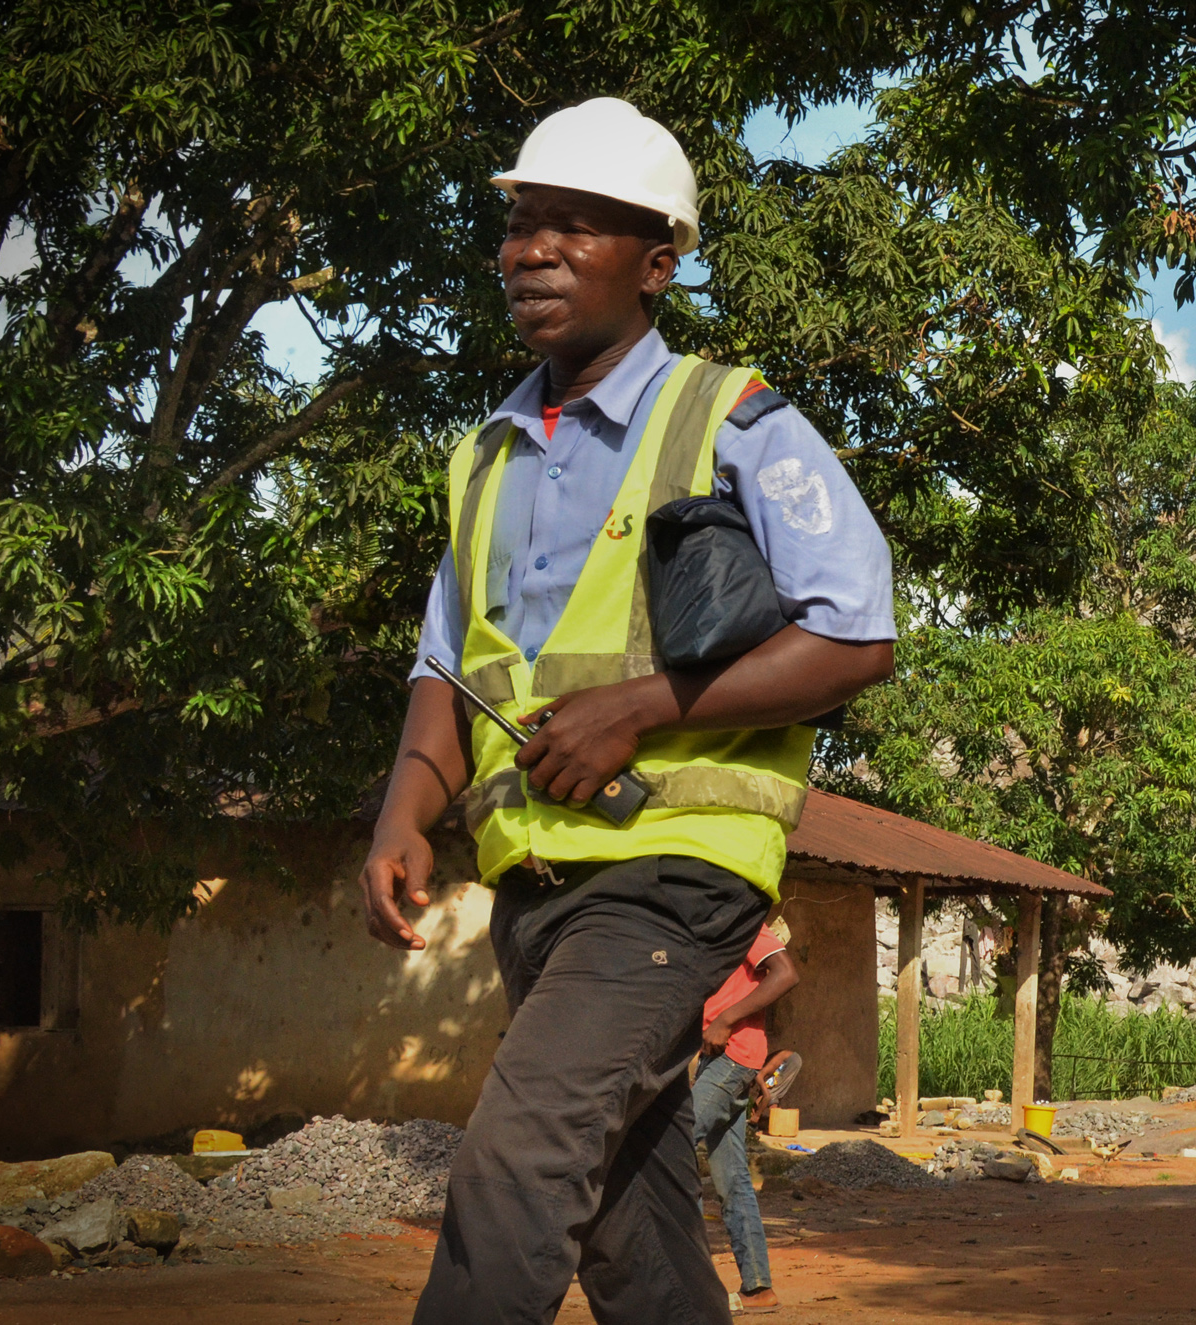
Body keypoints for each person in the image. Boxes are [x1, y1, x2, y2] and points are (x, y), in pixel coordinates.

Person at [356, 97, 895, 1324]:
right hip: (534, 885)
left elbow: (857, 632)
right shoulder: (481, 455)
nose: (529, 250)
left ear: (655, 264)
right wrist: (402, 813)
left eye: (572, 226)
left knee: (516, 1165)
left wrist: (640, 710)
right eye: (519, 225)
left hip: (671, 870)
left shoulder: (732, 419)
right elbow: (448, 669)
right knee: (626, 1225)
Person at [695, 922, 800, 1314]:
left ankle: (686, 1280)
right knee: (733, 1179)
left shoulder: (747, 922)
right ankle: (757, 1289)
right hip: (724, 1060)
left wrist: (724, 1021)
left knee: (670, 1152)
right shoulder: (715, 924)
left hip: (733, 1056)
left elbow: (787, 973)